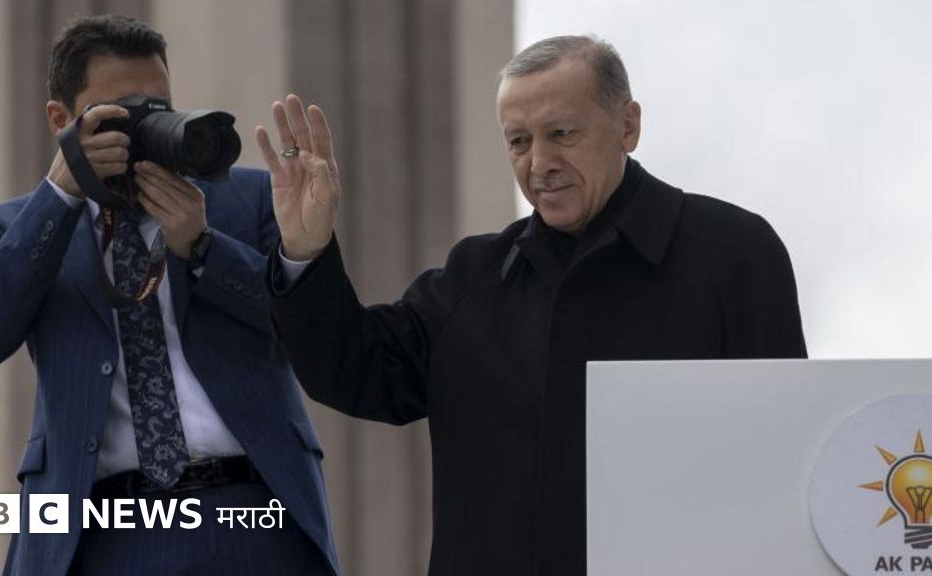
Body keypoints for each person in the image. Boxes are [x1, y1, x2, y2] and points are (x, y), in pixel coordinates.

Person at [255, 35, 807, 575]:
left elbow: (788, 458)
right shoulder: (474, 277)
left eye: (562, 133)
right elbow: (355, 368)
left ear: (628, 126)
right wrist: (306, 251)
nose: (540, 163)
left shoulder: (735, 255)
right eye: (518, 142)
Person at [0, 15, 336, 576]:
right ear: (61, 120)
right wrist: (60, 193)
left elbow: (307, 332)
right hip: (104, 531)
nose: (140, 131)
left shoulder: (249, 199)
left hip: (253, 515)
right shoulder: (19, 226)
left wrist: (204, 247)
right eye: (118, 116)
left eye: (156, 109)